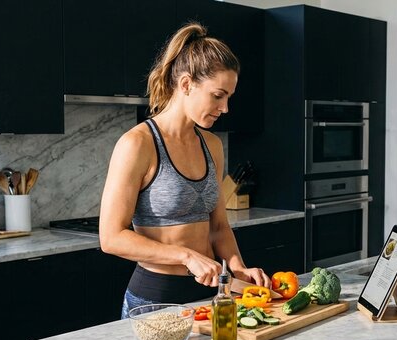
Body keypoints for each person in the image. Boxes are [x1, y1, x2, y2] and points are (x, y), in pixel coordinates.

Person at [99, 22, 271, 318]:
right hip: (154, 301)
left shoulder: (212, 145)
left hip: (210, 294)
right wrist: (186, 256)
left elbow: (218, 226)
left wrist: (238, 267)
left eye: (229, 97)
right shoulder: (137, 144)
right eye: (218, 95)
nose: (226, 107)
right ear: (186, 84)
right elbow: (111, 237)